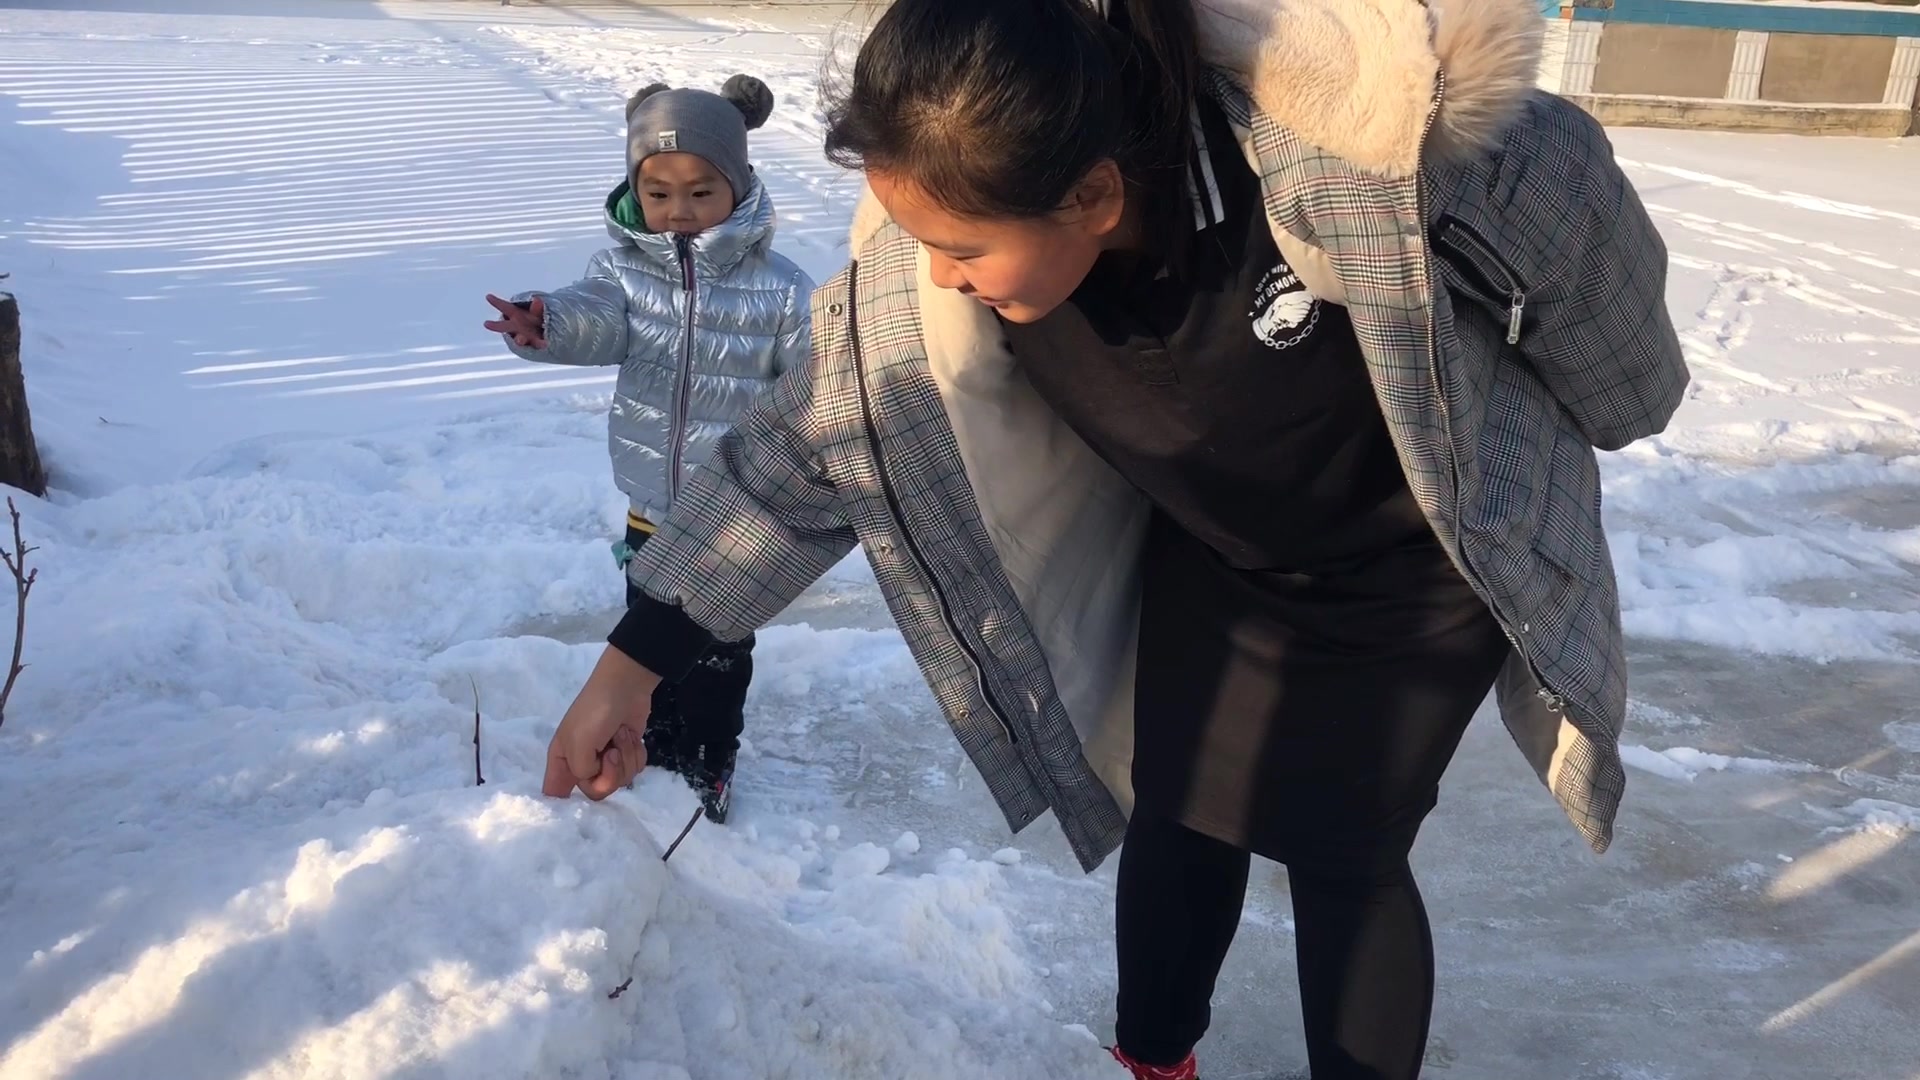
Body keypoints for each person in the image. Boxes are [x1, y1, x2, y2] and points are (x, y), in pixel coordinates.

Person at [539, 0, 1687, 1076]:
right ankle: (1154, 1062)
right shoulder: (942, 263)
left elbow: (1600, 312)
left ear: (1091, 197)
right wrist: (632, 665)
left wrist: (1615, 398)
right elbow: (803, 453)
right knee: (1182, 811)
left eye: (964, 250)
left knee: (1345, 853)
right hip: (1221, 553)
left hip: (1419, 565)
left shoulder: (1338, 185)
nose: (938, 274)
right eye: (915, 237)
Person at [488, 75, 813, 824]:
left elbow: (810, 382)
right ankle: (651, 744)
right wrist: (548, 323)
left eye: (702, 192)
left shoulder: (782, 288)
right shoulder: (623, 273)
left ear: (739, 183)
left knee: (718, 655)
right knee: (647, 640)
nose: (680, 213)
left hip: (737, 514)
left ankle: (706, 762)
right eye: (660, 192)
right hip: (650, 507)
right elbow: (596, 318)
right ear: (636, 189)